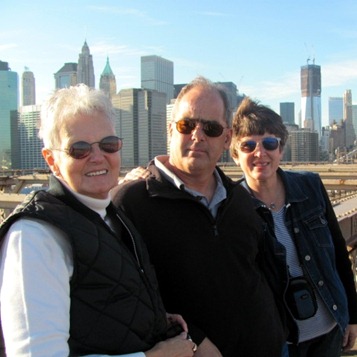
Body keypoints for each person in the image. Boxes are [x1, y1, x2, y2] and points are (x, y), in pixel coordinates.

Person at [0, 84, 197, 357]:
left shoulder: (109, 215)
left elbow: (100, 300)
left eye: (108, 145)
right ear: (51, 160)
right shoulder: (35, 236)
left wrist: (154, 318)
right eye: (78, 149)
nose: (97, 157)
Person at [112, 76, 287, 357]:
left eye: (211, 128)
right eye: (187, 125)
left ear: (226, 137)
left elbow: (259, 270)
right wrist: (194, 337)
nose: (198, 135)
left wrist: (278, 329)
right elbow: (128, 296)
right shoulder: (131, 203)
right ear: (170, 131)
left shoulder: (240, 200)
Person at [230, 97, 357, 357]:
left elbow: (338, 256)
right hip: (277, 341)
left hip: (329, 330)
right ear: (234, 154)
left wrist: (353, 315)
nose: (260, 153)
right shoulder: (231, 209)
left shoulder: (310, 186)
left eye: (269, 143)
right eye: (248, 145)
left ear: (281, 149)